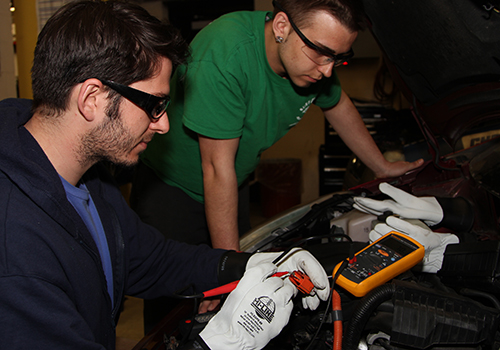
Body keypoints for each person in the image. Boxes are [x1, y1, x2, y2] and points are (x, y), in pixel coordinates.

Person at [0, 1, 330, 349]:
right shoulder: (15, 251)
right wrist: (212, 346)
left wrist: (246, 265)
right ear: (92, 98)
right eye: (154, 105)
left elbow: (148, 261)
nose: (164, 124)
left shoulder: (86, 173)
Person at [131, 0, 424, 255]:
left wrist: (382, 167)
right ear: (282, 26)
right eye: (321, 53)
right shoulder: (225, 56)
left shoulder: (312, 65)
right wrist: (227, 266)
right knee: (178, 303)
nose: (327, 70)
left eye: (338, 58)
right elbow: (216, 167)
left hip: (232, 183)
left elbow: (339, 106)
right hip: (172, 191)